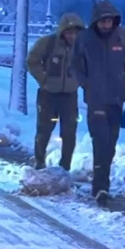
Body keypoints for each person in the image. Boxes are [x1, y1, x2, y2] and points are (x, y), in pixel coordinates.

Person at [72, 0, 125, 205]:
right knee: (100, 140)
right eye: (102, 21)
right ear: (96, 21)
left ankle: (103, 180)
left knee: (110, 143)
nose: (106, 25)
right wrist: (86, 83)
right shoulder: (85, 39)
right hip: (96, 99)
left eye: (109, 21)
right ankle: (100, 186)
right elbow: (75, 64)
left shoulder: (124, 36)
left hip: (117, 98)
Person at [26, 12, 86, 170]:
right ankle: (39, 161)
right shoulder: (48, 43)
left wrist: (80, 81)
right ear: (62, 31)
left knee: (69, 132)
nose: (72, 36)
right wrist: (44, 79)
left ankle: (65, 165)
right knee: (44, 129)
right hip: (48, 95)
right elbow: (32, 61)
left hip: (70, 96)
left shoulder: (83, 47)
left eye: (76, 32)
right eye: (69, 32)